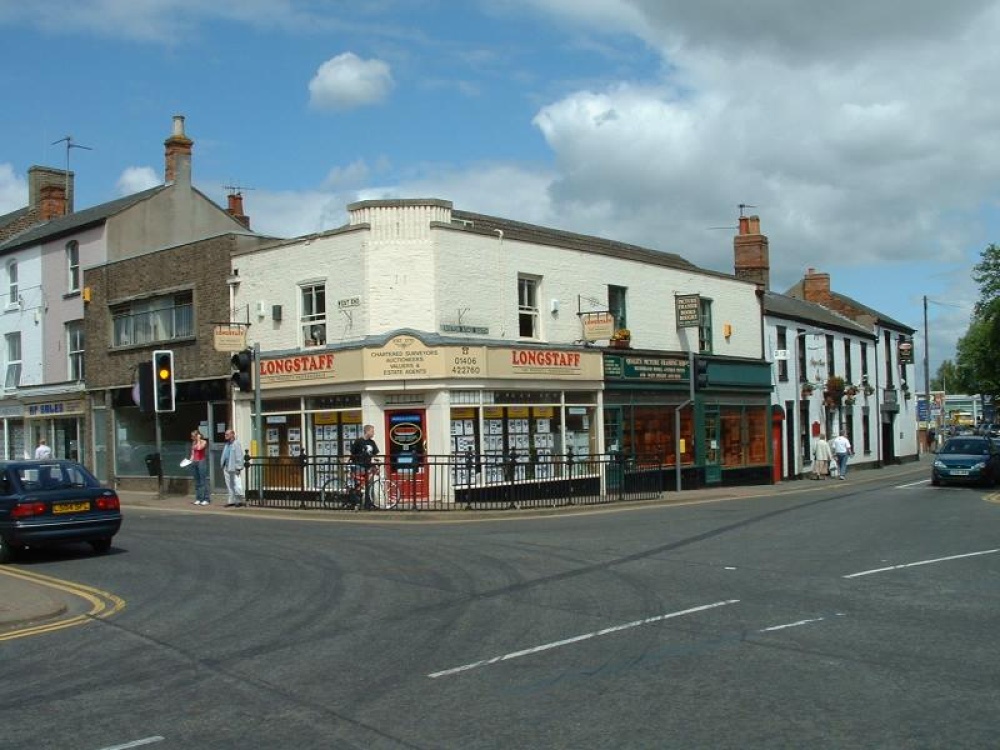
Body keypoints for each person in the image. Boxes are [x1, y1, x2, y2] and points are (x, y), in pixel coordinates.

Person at [350, 424, 380, 509]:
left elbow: (375, 455)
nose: (373, 433)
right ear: (367, 431)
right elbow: (352, 452)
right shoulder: (358, 441)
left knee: (369, 486)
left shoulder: (372, 442)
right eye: (372, 431)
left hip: (368, 467)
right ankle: (356, 503)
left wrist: (377, 465)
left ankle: (368, 504)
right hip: (358, 466)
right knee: (358, 486)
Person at [220, 428, 245, 507]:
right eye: (225, 434)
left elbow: (239, 456)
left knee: (237, 484)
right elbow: (224, 455)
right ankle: (231, 500)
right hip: (226, 467)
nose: (225, 435)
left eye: (227, 434)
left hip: (234, 467)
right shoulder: (227, 444)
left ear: (232, 435)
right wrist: (222, 464)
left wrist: (238, 468)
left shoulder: (236, 444)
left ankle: (239, 501)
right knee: (229, 485)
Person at [189, 429, 211, 505]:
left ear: (197, 435)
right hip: (195, 462)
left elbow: (199, 448)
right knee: (197, 481)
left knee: (203, 481)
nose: (192, 438)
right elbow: (192, 453)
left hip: (201, 461)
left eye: (193, 436)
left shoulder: (204, 442)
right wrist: (190, 460)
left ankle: (206, 499)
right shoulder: (193, 442)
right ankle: (198, 498)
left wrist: (198, 440)